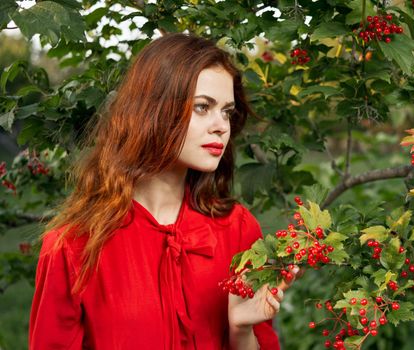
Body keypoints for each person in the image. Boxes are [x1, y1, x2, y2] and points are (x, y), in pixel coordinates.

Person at [29, 33, 295, 350]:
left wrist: (240, 330)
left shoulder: (237, 229)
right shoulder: (74, 244)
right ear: (153, 110)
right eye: (202, 107)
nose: (221, 125)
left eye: (226, 111)